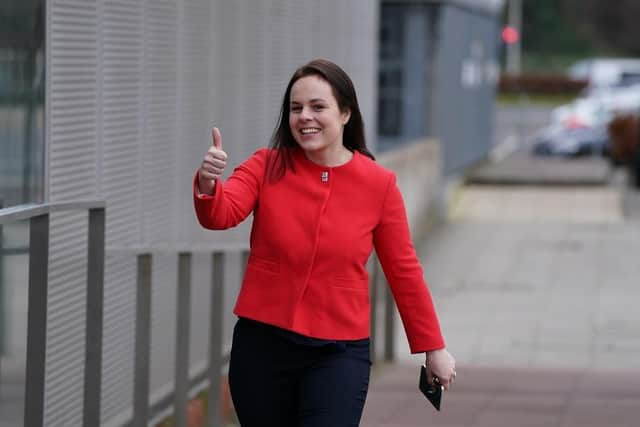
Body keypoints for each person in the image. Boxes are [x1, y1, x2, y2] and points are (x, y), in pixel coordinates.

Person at [194, 58, 455, 426]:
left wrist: (433, 347)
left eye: (318, 107)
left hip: (339, 352)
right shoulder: (266, 166)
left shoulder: (379, 184)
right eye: (296, 108)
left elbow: (404, 270)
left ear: (345, 113)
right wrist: (208, 183)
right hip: (262, 348)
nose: (305, 117)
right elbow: (221, 213)